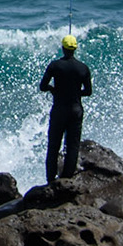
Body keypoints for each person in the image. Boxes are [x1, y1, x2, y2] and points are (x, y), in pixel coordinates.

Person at [38, 34, 93, 182]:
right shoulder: (83, 68)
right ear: (75, 49)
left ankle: (51, 179)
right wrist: (75, 92)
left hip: (59, 110)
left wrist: (53, 89)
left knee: (53, 145)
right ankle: (67, 178)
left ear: (63, 48)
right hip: (76, 110)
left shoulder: (55, 66)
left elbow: (42, 86)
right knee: (72, 145)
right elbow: (88, 92)